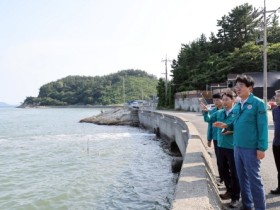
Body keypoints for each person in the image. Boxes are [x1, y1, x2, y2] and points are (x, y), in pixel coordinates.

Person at [214, 75, 268, 210]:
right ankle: (247, 205)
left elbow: (263, 127)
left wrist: (262, 148)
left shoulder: (258, 103)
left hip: (251, 148)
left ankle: (260, 207)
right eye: (236, 86)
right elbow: (235, 123)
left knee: (254, 180)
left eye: (241, 86)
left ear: (250, 88)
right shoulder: (238, 104)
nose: (237, 89)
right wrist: (226, 126)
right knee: (242, 178)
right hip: (237, 146)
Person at [201, 91, 240, 208]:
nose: (224, 101)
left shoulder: (237, 113)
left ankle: (235, 197)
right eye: (223, 99)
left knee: (234, 172)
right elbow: (208, 120)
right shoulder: (219, 112)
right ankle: (229, 190)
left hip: (233, 146)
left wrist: (229, 129)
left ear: (233, 100)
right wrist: (205, 112)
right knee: (223, 170)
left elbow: (239, 127)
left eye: (227, 99)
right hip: (221, 145)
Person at [204, 93, 223, 184]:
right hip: (216, 138)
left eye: (217, 100)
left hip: (226, 138)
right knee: (219, 159)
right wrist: (209, 139)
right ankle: (222, 177)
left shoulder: (226, 110)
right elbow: (210, 126)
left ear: (221, 100)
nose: (215, 102)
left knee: (227, 160)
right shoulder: (212, 111)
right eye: (214, 100)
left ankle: (228, 177)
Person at [271, 89, 280, 195]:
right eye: (276, 96)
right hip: (276, 143)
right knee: (279, 167)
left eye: (278, 96)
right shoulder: (275, 110)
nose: (276, 97)